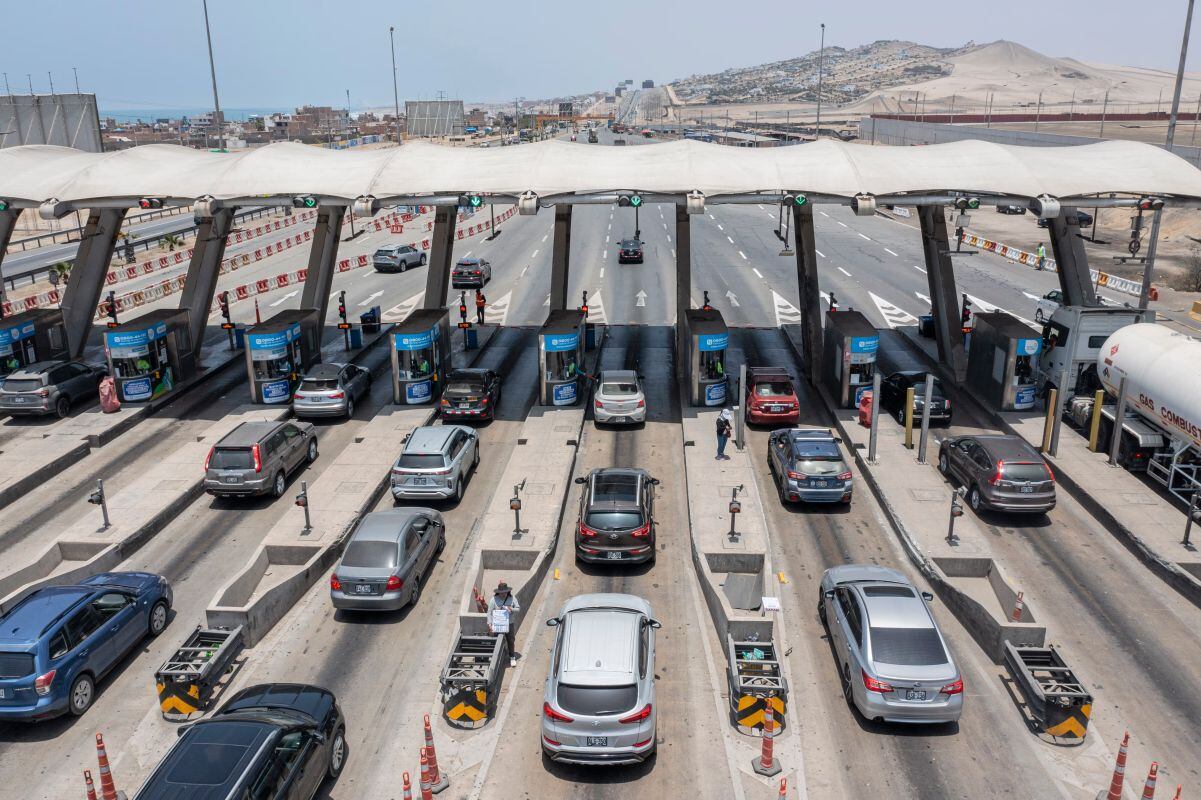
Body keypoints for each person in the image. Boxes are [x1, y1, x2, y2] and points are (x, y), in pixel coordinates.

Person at [487, 581, 521, 667]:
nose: (503, 594)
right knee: (497, 641)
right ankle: (495, 657)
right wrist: (490, 624)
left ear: (507, 591)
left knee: (511, 640)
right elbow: (489, 612)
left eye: (504, 593)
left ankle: (512, 656)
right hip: (498, 624)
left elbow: (518, 609)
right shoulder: (493, 600)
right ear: (498, 592)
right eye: (501, 593)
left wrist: (511, 609)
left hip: (509, 623)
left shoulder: (512, 598)